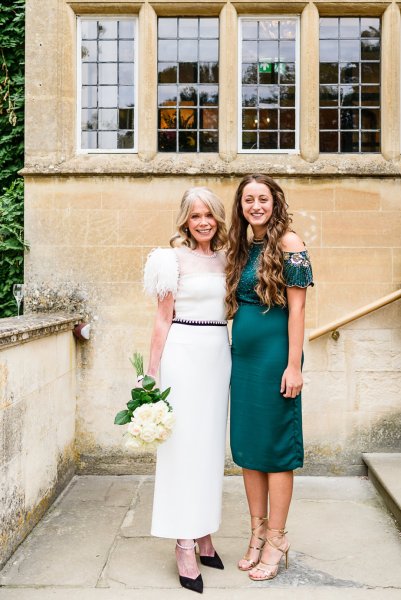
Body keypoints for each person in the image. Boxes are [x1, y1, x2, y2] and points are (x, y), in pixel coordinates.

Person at [226, 174, 313, 582]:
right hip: (243, 360)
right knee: (247, 447)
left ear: (274, 203)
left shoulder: (289, 244)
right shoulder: (244, 246)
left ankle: (277, 538)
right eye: (248, 200)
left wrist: (293, 365)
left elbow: (296, 311)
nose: (256, 205)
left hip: (276, 358)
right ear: (241, 206)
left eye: (263, 198)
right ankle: (256, 531)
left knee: (275, 448)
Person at [143, 187, 231, 594]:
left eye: (209, 215)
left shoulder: (229, 259)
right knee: (182, 449)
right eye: (195, 215)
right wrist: (150, 374)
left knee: (211, 448)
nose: (203, 222)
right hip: (183, 353)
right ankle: (183, 543)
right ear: (185, 219)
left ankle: (204, 531)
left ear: (218, 218)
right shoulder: (169, 259)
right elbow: (162, 320)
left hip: (218, 356)